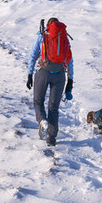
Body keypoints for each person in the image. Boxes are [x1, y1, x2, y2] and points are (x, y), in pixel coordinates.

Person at [27, 18, 73, 146]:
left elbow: (33, 56)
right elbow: (69, 61)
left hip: (43, 72)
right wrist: (70, 80)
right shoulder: (64, 38)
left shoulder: (42, 36)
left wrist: (30, 74)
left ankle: (42, 121)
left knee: (38, 101)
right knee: (53, 108)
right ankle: (51, 139)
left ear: (48, 26)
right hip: (59, 75)